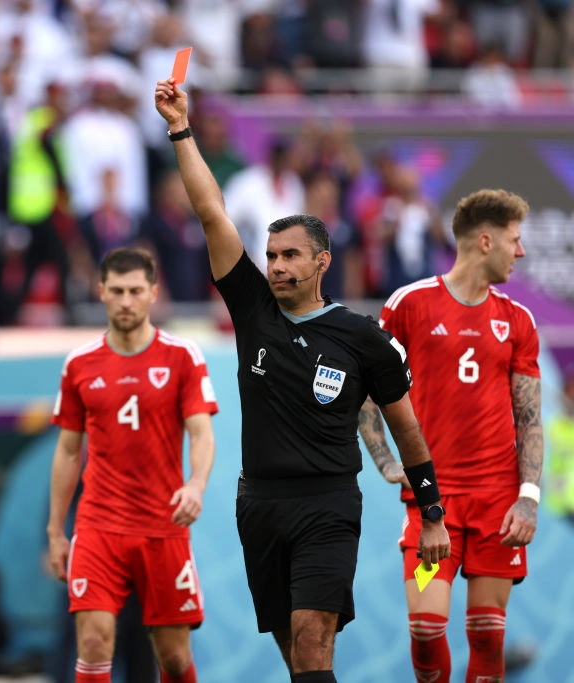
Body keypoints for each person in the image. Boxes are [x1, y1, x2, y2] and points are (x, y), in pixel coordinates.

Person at [154, 78, 451, 683]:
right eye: (271, 255)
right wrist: (180, 129)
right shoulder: (252, 309)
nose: (277, 266)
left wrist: (432, 514)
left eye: (290, 255)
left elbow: (406, 429)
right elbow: (211, 209)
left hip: (328, 504)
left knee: (314, 644)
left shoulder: (361, 336)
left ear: (322, 262)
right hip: (258, 503)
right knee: (299, 660)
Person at [359, 188, 542, 683]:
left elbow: (529, 420)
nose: (519, 251)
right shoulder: (409, 305)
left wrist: (527, 497)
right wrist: (383, 460)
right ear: (486, 242)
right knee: (425, 627)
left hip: (496, 508)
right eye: (514, 240)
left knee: (486, 633)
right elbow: (367, 393)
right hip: (431, 507)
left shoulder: (517, 322)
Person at [47, 246, 219, 683]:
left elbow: (200, 432)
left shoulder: (182, 356)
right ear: (101, 292)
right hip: (99, 524)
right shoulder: (79, 364)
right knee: (92, 642)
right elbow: (68, 450)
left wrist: (196, 485)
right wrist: (55, 531)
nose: (126, 301)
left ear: (153, 294)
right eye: (118, 291)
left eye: (136, 291)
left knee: (175, 657)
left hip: (163, 525)